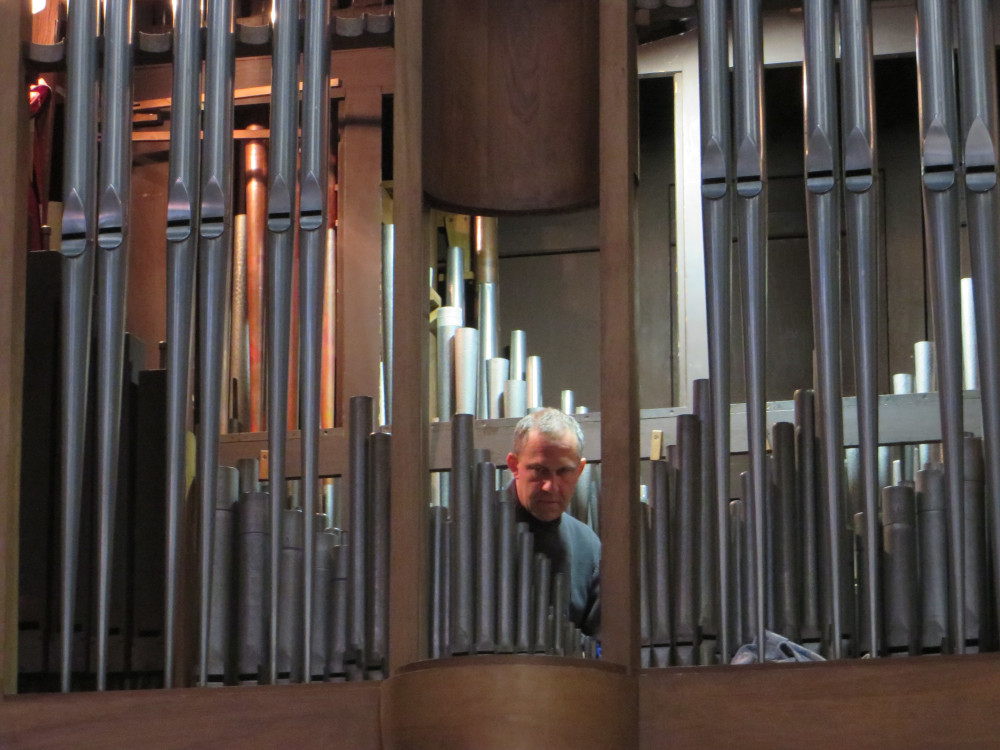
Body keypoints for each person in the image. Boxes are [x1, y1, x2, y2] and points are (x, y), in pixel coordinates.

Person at [505, 408, 601, 636]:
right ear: (514, 466)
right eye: (539, 470)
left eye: (564, 471)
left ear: (579, 470)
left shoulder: (588, 545)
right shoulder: (469, 531)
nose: (551, 486)